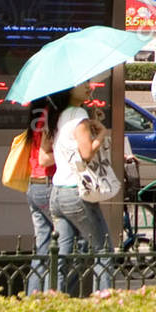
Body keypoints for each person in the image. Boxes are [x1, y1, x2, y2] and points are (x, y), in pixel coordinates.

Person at [47, 82, 120, 294]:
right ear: (69, 88)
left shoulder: (58, 115)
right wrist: (101, 134)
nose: (90, 87)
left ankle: (53, 301)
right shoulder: (79, 115)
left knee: (59, 255)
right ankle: (104, 303)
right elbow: (86, 153)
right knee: (103, 250)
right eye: (84, 84)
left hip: (57, 193)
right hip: (76, 192)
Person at [24, 97, 59, 294]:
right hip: (49, 183)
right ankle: (51, 295)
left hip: (34, 184)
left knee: (43, 247)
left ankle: (34, 297)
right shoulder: (52, 115)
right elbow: (45, 158)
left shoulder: (37, 113)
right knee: (62, 244)